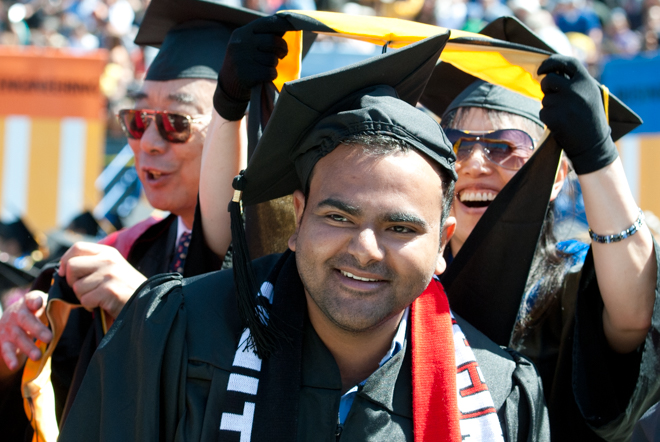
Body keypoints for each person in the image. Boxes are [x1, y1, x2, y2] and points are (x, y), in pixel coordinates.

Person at [58, 33, 550, 442]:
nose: (364, 249)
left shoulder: (497, 397)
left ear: (442, 244)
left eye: (400, 228)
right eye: (338, 217)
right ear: (298, 218)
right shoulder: (178, 332)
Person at [0, 1, 268, 438]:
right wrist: (15, 351)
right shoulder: (124, 251)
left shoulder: (276, 264)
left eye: (176, 123)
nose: (149, 143)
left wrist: (147, 307)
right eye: (139, 120)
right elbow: (66, 399)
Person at [421, 41, 659, 441]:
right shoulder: (412, 283)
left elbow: (634, 318)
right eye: (456, 145)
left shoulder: (568, 281)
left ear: (557, 177)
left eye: (503, 147)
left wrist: (596, 156)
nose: (474, 163)